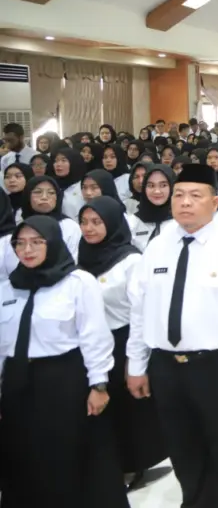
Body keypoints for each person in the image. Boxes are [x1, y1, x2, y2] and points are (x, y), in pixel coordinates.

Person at [126, 164, 218, 508]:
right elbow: (140, 310)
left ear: (215, 202)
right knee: (183, 448)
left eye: (195, 195)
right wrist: (136, 364)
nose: (185, 202)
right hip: (166, 368)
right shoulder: (158, 247)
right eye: (179, 195)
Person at [0, 215, 127, 508]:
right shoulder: (7, 288)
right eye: (20, 243)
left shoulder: (77, 282)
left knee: (67, 453)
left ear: (53, 243)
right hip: (18, 382)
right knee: (23, 455)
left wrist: (99, 384)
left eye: (37, 242)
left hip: (63, 379)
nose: (27, 250)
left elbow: (94, 336)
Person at [78, 196, 168, 491]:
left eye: (96, 222)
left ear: (113, 223)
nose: (89, 228)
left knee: (128, 408)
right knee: (101, 409)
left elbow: (142, 310)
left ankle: (134, 463)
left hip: (124, 339)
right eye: (84, 222)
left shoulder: (131, 261)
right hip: (91, 342)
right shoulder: (81, 255)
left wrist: (136, 357)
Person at [20, 175, 82, 261]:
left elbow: (73, 260)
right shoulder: (20, 226)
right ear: (28, 196)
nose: (44, 197)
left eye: (51, 193)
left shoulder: (69, 227)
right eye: (38, 192)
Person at [127, 165, 176, 253]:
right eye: (151, 185)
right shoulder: (132, 222)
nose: (157, 191)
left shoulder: (182, 222)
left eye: (163, 185)